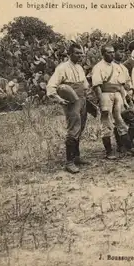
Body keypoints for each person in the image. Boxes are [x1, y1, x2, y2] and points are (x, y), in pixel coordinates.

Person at [46, 43, 90, 174]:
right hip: (72, 102)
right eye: (77, 53)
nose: (80, 55)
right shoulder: (62, 68)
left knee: (80, 127)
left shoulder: (80, 68)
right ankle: (69, 162)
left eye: (81, 53)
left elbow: (85, 85)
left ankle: (76, 157)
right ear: (70, 54)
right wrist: (59, 99)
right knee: (73, 129)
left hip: (82, 100)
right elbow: (51, 86)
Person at [92, 44, 134, 159]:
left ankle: (128, 147)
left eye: (113, 52)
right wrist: (101, 100)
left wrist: (126, 99)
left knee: (120, 120)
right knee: (106, 122)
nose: (112, 54)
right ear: (103, 54)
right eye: (109, 52)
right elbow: (97, 86)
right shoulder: (98, 67)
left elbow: (121, 85)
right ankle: (109, 152)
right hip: (105, 95)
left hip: (117, 95)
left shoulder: (117, 67)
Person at [112, 42, 134, 153]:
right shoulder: (110, 66)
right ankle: (121, 145)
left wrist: (130, 89)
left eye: (123, 52)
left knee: (133, 116)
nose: (122, 54)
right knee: (118, 120)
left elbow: (128, 81)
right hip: (115, 96)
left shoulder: (123, 67)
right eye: (119, 52)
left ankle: (129, 142)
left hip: (126, 96)